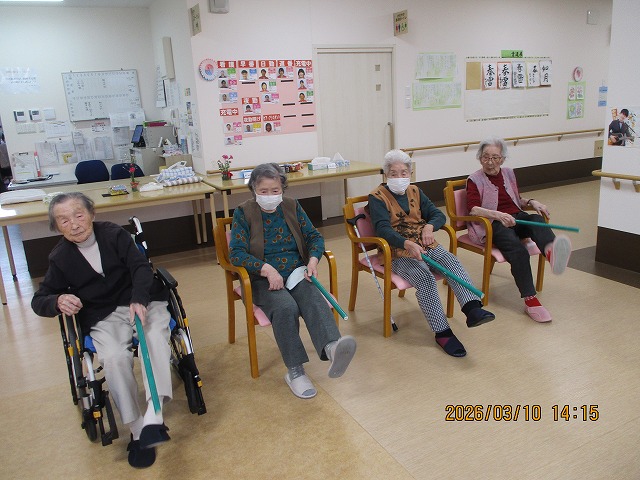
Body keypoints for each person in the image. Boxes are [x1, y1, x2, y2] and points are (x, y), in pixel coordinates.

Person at [31, 193, 172, 468]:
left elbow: (141, 268)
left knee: (154, 338)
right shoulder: (60, 257)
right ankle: (137, 430)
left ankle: (154, 416)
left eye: (79, 215)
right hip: (103, 314)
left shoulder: (114, 235)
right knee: (114, 358)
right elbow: (39, 300)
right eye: (64, 220)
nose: (74, 224)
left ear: (92, 214)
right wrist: (57, 300)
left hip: (141, 300)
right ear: (56, 226)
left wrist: (139, 298)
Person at [229, 163, 356, 399]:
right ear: (254, 189)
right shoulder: (243, 212)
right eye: (263, 191)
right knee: (285, 307)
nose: (270, 196)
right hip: (262, 277)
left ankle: (332, 348)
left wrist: (313, 260)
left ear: (283, 189)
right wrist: (266, 269)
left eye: (275, 190)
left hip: (296, 271)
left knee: (313, 298)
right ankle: (295, 371)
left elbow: (314, 237)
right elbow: (236, 253)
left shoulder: (291, 206)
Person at [369, 150, 495, 357]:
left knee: (451, 262)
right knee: (425, 278)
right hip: (397, 251)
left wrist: (429, 227)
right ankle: (442, 333)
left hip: (426, 243)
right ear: (385, 175)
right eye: (393, 173)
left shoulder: (415, 191)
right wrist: (406, 243)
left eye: (403, 173)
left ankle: (472, 309)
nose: (399, 177)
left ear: (410, 173)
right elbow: (382, 229)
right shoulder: (376, 197)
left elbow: (437, 215)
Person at [466, 136, 572, 323]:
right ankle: (530, 300)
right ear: (480, 158)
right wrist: (498, 215)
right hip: (493, 224)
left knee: (536, 219)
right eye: (485, 157)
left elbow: (516, 199)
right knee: (518, 250)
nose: (490, 162)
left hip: (516, 217)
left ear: (503, 159)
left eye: (495, 157)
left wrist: (532, 202)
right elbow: (473, 209)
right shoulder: (474, 179)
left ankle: (552, 254)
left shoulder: (508, 173)